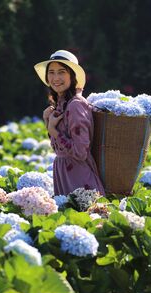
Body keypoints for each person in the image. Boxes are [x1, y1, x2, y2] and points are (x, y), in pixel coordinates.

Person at [34, 50, 105, 196]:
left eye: (61, 72)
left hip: (79, 181)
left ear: (72, 76)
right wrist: (48, 122)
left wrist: (53, 130)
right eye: (51, 72)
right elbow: (58, 148)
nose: (56, 78)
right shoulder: (61, 105)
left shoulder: (75, 105)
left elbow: (80, 152)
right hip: (65, 175)